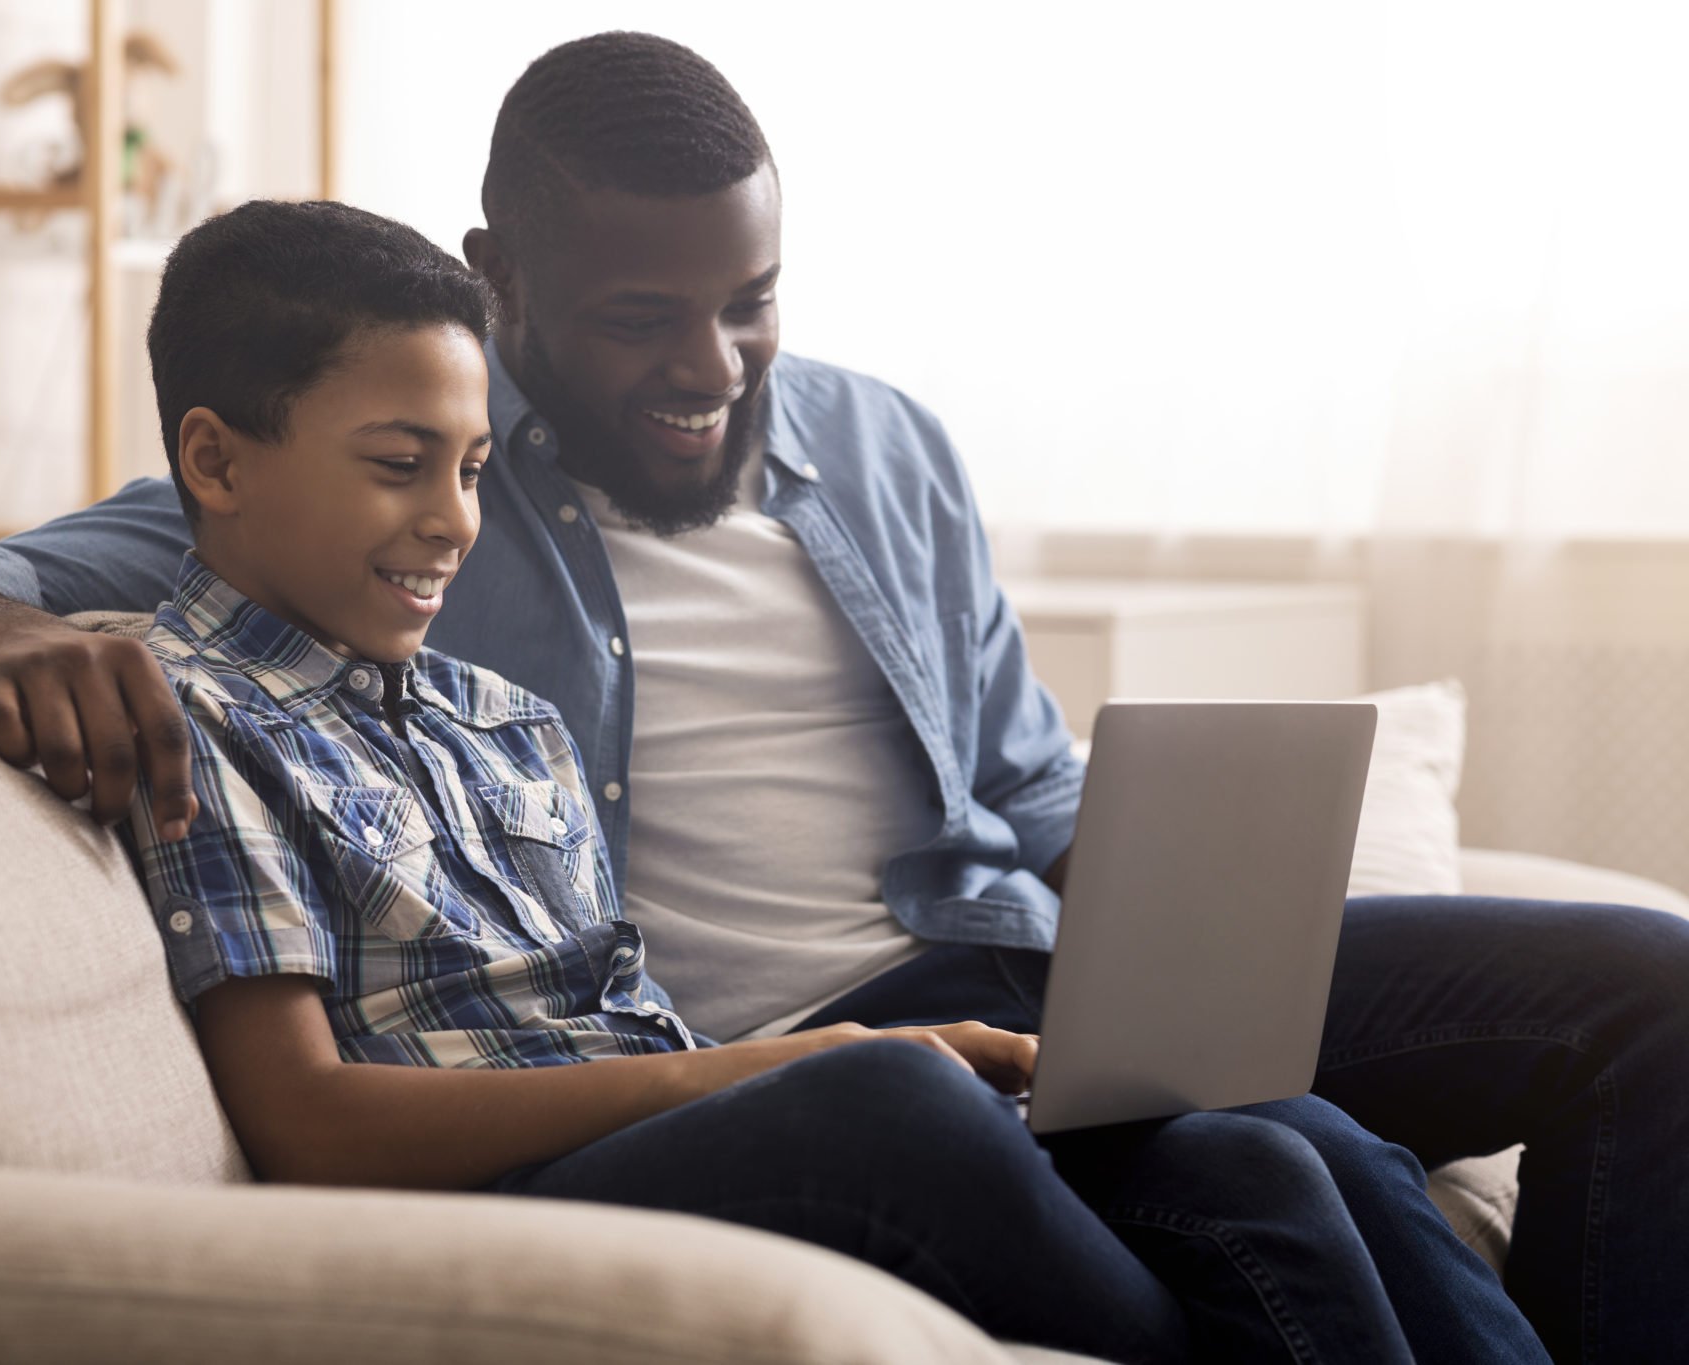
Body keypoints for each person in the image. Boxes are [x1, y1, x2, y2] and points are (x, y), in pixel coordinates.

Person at [0, 32, 1689, 1365]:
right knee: (1240, 1156)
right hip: (781, 1037)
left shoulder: (877, 449)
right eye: (640, 318)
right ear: (504, 289)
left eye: (748, 300)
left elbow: (1018, 777)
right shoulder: (389, 483)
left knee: (1640, 999)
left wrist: (1181, 919)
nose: (711, 366)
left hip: (1009, 958)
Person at [106, 194, 1434, 1364]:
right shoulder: (191, 716)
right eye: (400, 465)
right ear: (216, 462)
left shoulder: (505, 720)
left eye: (469, 467)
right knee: (888, 1098)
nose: (454, 517)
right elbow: (308, 1123)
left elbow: (637, 1024)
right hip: (503, 1201)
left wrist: (771, 1076)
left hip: (681, 1135)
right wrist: (776, 1073)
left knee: (1245, 1148)